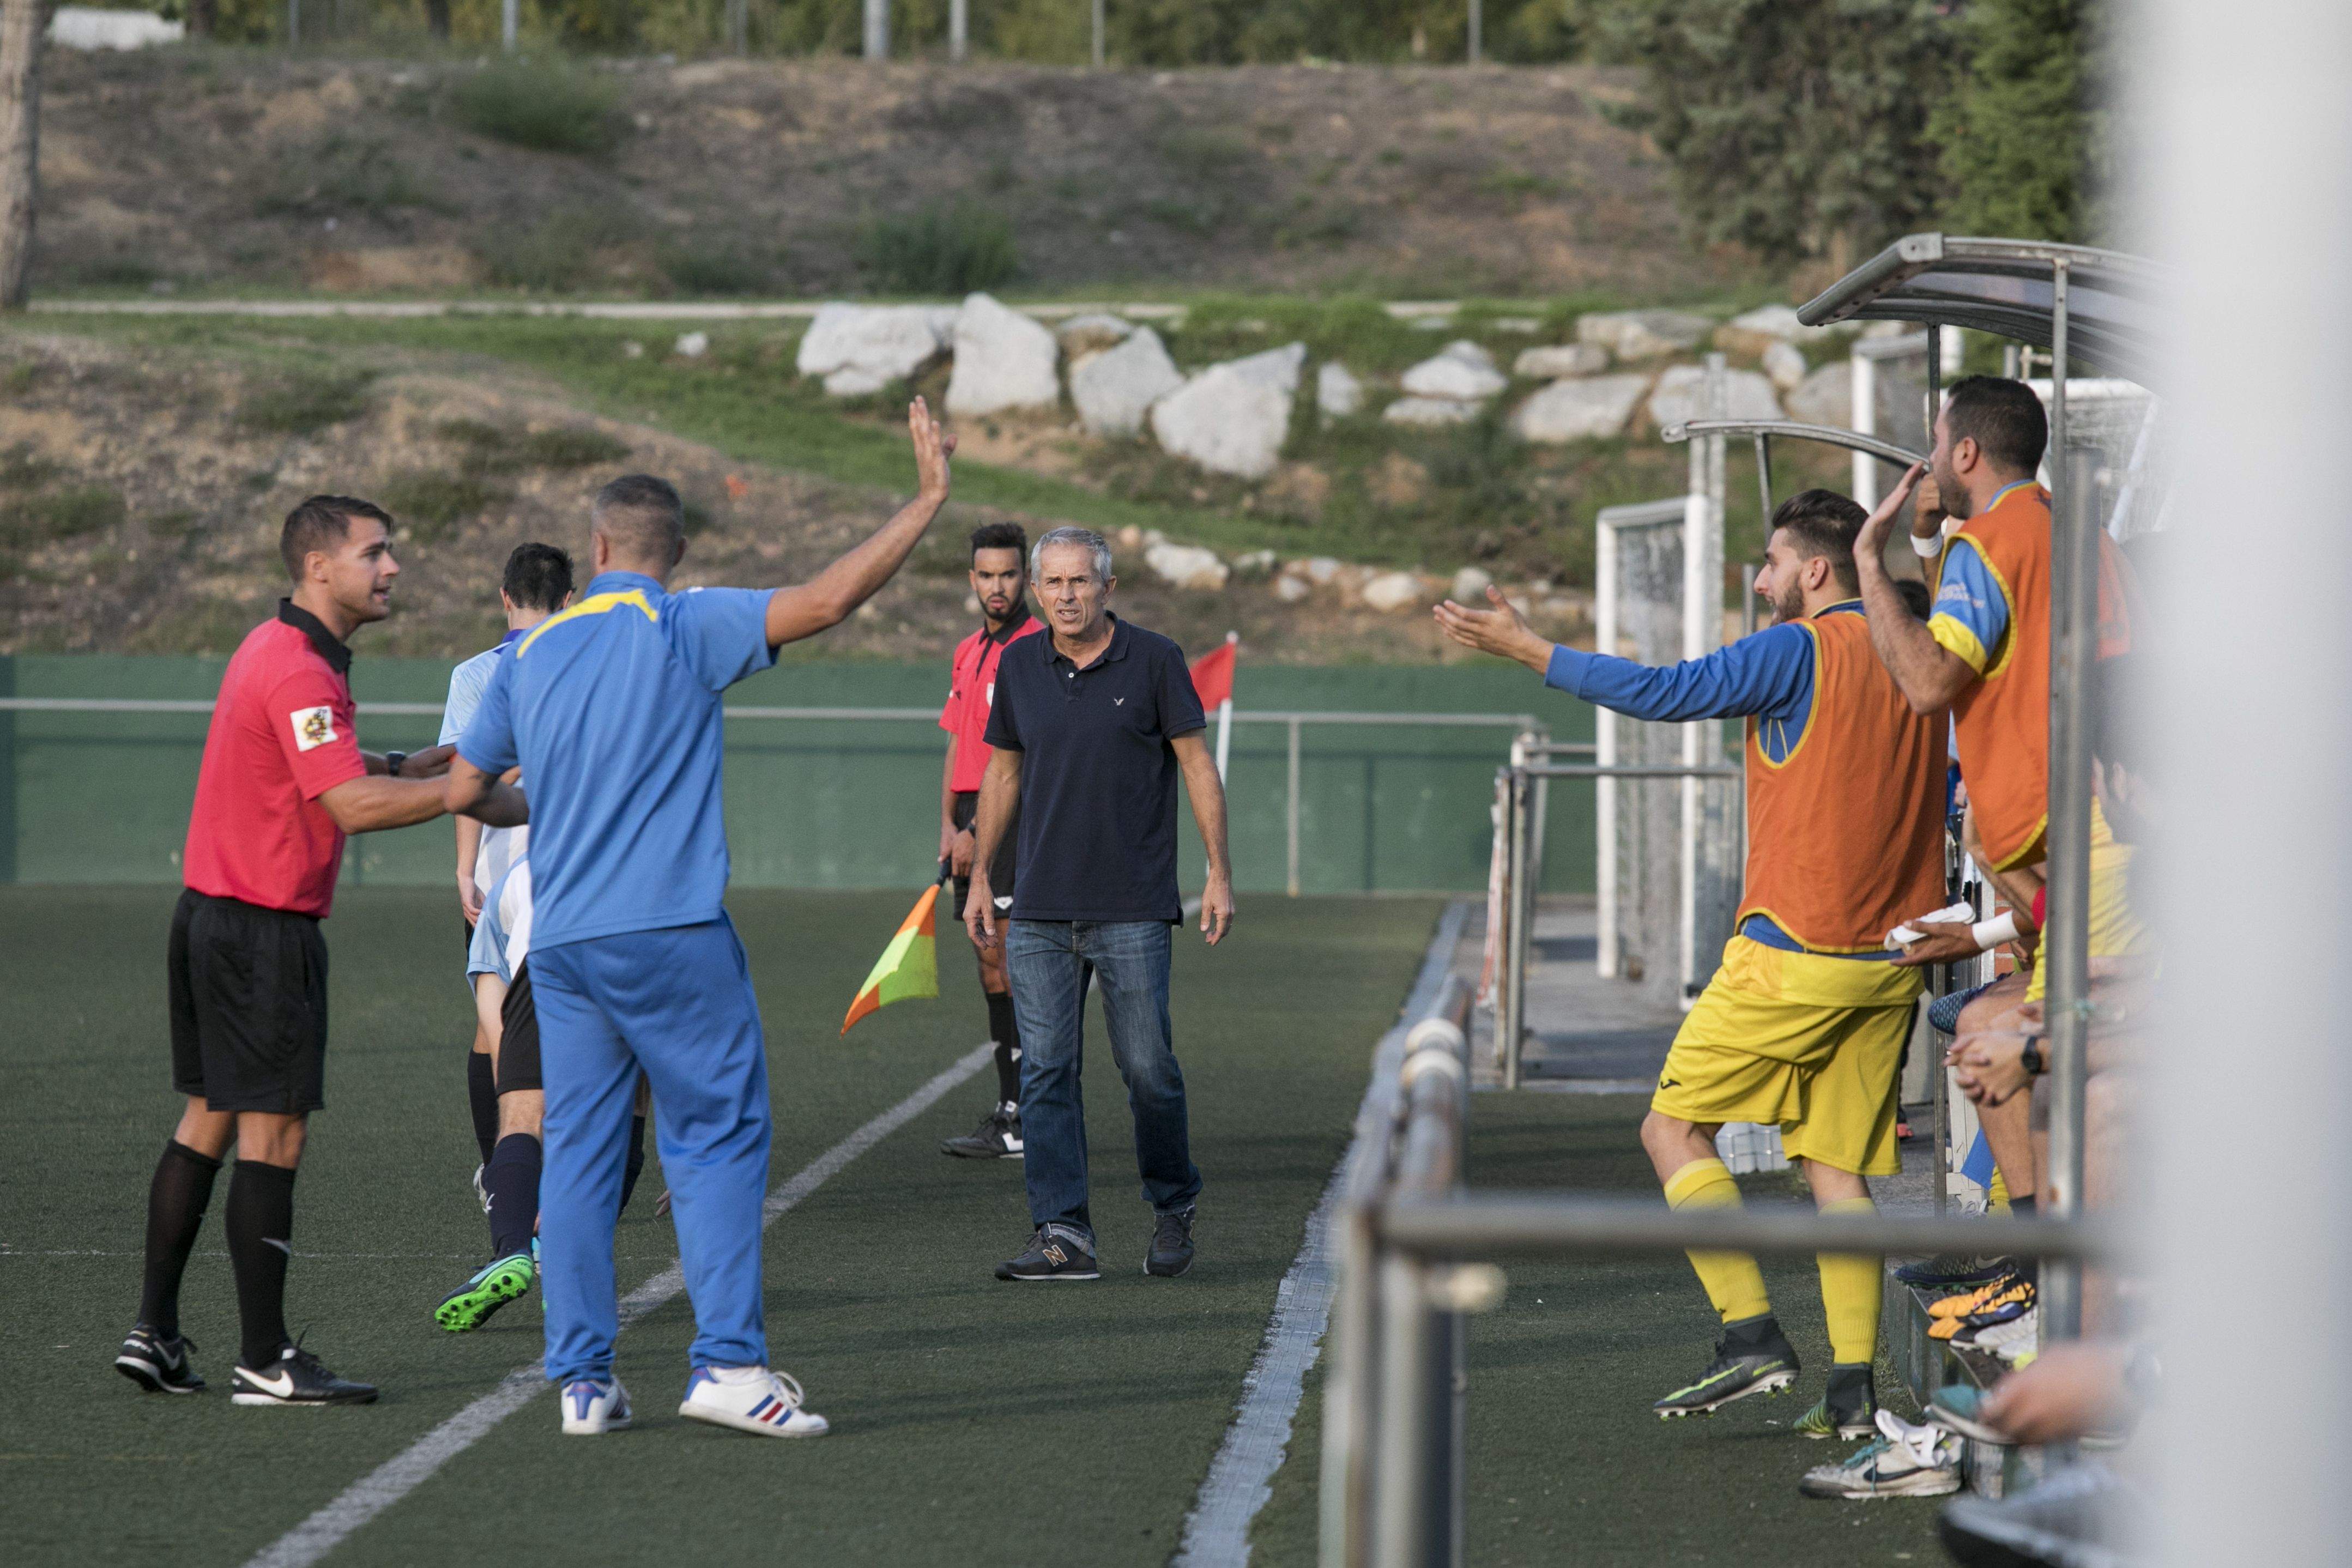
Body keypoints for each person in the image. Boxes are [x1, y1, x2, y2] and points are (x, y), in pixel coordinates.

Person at [445, 398, 956, 1439]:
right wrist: (928, 498)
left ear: (593, 549)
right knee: (717, 1139)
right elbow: (826, 600)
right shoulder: (682, 620)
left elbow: (470, 790)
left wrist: (549, 797)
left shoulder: (527, 655)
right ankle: (726, 1364)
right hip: (671, 930)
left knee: (580, 1154)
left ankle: (582, 1381)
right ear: (674, 554)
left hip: (566, 944)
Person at [1435, 489, 1946, 1445]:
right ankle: (1851, 1388)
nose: (1761, 580)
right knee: (1836, 1170)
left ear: (1818, 570)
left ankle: (1751, 1333)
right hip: (1891, 960)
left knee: (1673, 1129)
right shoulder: (1916, 650)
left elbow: (1662, 692)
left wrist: (1529, 650)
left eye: (1771, 561)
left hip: (1795, 951)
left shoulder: (1800, 646)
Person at [114, 496, 456, 1407]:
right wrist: (465, 789)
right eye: (375, 553)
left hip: (209, 917)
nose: (392, 569)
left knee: (209, 1118)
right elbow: (345, 806)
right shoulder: (301, 668)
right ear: (318, 568)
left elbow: (321, 766)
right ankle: (265, 1359)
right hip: (260, 935)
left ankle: (154, 1332)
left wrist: (401, 763)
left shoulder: (277, 648)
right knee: (276, 1130)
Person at [964, 525, 1236, 1284]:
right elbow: (1002, 774)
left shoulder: (1155, 660)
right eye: (1051, 583)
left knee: (1148, 1068)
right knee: (1047, 1071)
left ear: (1107, 588)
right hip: (1040, 911)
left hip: (1133, 909)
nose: (1064, 595)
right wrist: (982, 875)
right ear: (1036, 590)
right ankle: (1063, 1233)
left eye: (1079, 581)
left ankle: (1173, 1204)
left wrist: (1217, 873)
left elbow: (1195, 766)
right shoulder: (1019, 663)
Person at [442, 543, 572, 1216]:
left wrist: (464, 871)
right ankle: (527, 1177)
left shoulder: (475, 674)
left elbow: (464, 781)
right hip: (567, 865)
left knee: (494, 1030)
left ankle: (502, 1173)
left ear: (504, 597)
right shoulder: (583, 665)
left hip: (497, 867)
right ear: (571, 599)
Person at [936, 520, 1044, 1161]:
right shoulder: (967, 650)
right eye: (985, 575)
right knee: (987, 959)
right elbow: (956, 741)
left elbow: (1025, 755)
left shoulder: (1036, 648)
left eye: (1007, 574)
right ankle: (1013, 1110)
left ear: (1023, 577)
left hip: (1014, 815)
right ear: (972, 578)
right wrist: (949, 827)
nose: (996, 586)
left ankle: (1024, 1114)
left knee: (1010, 959)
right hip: (972, 820)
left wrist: (979, 830)